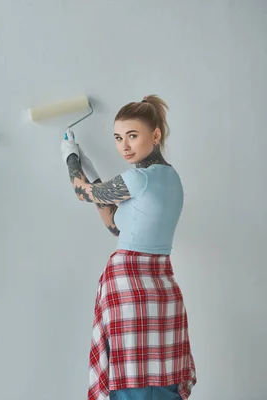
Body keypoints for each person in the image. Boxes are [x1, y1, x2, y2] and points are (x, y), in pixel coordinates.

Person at [60, 95, 197, 400]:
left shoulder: (138, 178)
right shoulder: (172, 178)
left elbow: (83, 193)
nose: (124, 146)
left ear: (156, 134)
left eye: (132, 136)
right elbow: (116, 226)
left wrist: (70, 157)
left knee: (131, 381)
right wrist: (93, 173)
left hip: (129, 289)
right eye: (119, 138)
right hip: (162, 288)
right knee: (163, 379)